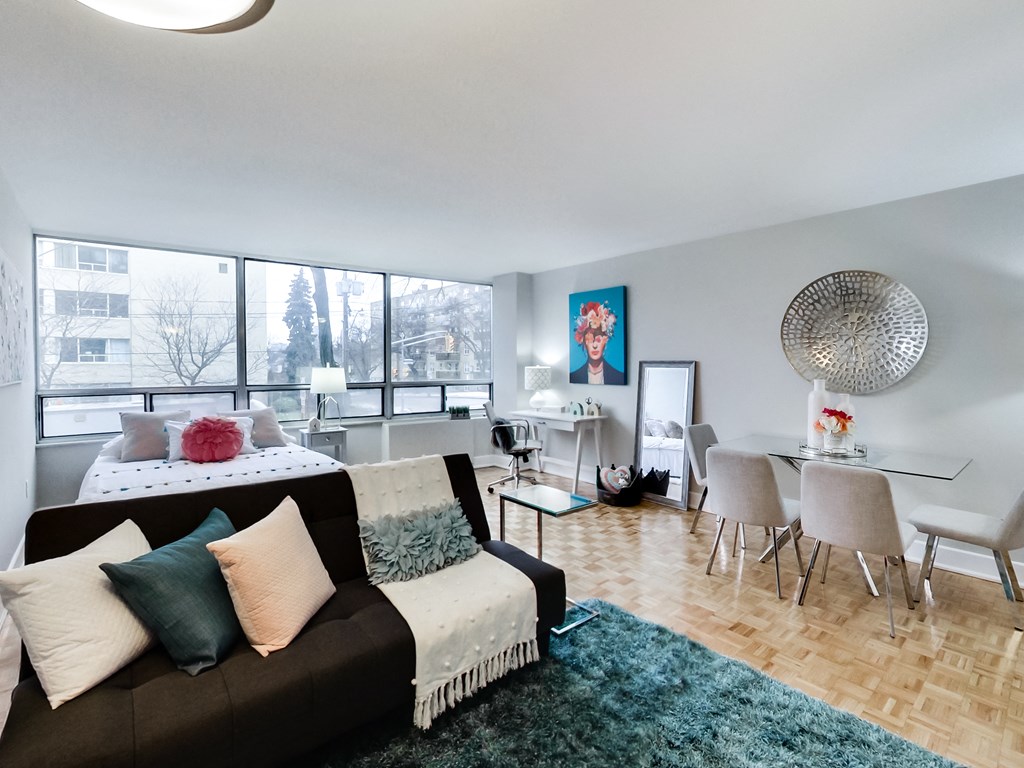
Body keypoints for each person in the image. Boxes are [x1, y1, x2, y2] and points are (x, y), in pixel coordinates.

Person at [570, 300, 625, 384]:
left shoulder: (619, 377)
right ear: (584, 342)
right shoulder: (574, 377)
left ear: (605, 340)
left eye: (598, 340)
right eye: (590, 339)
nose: (595, 345)